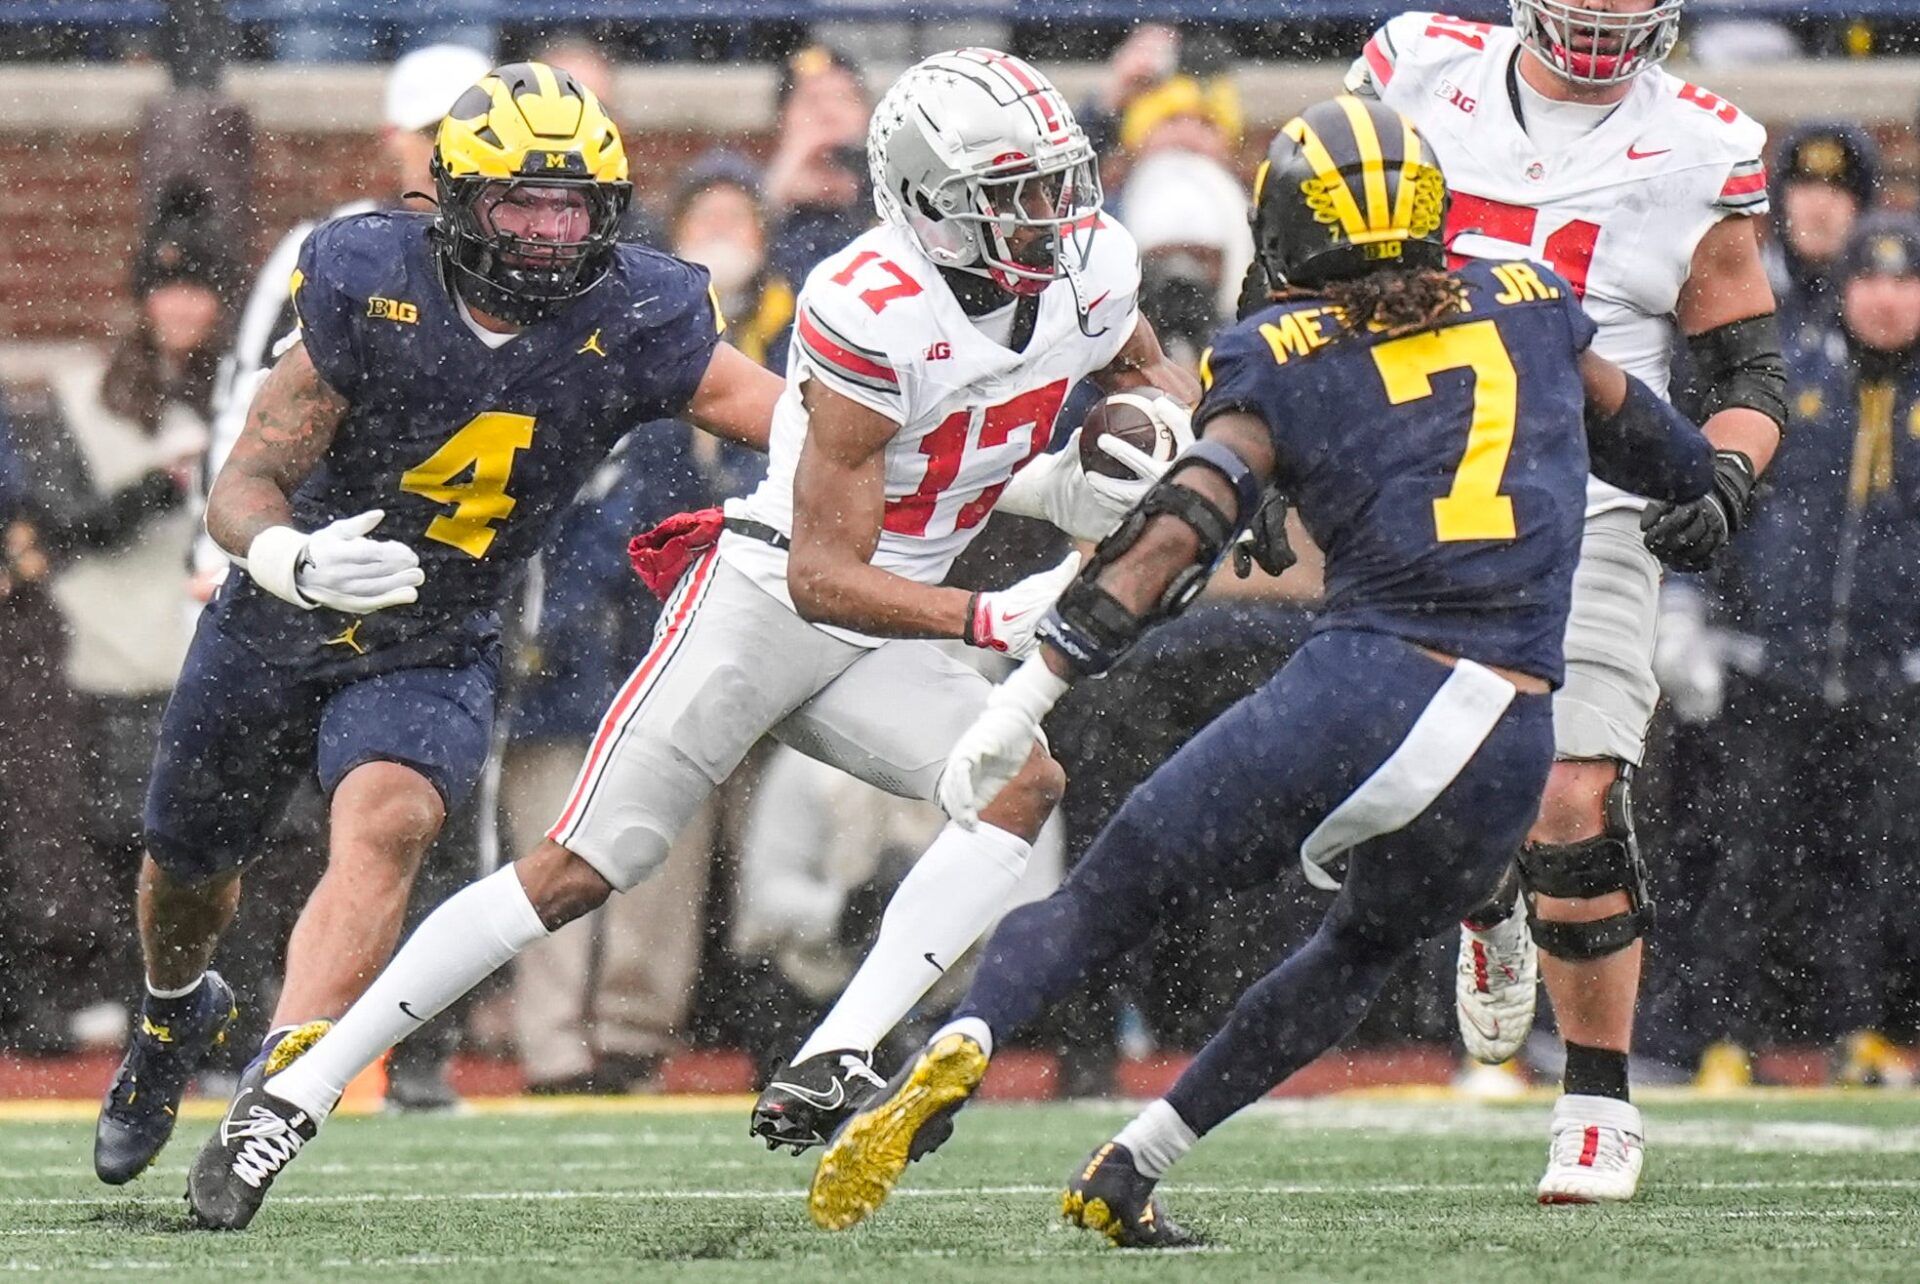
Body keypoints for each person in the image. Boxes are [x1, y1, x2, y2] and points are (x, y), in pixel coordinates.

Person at [183, 47, 1195, 1230]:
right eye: (1015, 191)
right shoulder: (868, 309)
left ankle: (841, 1049)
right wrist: (991, 611)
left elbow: (1137, 363)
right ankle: (292, 1096)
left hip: (893, 608)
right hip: (771, 600)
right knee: (575, 870)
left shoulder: (1091, 262)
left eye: (1059, 183)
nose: (1054, 216)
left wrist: (1152, 429)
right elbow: (825, 572)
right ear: (928, 196)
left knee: (1021, 788)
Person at [807, 95, 1715, 1245]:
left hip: (1366, 687)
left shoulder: (1278, 355)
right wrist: (1713, 487)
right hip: (1511, 742)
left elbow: (1175, 536)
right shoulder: (1535, 307)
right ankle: (1135, 1165)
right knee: (1358, 951)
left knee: (1108, 899)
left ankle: (972, 1037)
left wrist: (1037, 685)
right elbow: (1662, 449)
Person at [93, 61, 783, 1192]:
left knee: (392, 821)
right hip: (281, 611)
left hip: (438, 624)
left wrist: (986, 446)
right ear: (458, 201)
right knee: (188, 872)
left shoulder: (635, 312)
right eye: (524, 204)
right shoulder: (370, 279)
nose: (553, 235)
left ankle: (280, 1088)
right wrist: (294, 556)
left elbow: (797, 417)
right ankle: (175, 1016)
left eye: (575, 208)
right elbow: (245, 480)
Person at [1347, 0, 1787, 1201]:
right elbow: (1300, 251)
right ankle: (1485, 895)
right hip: (1415, 484)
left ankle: (1596, 1098)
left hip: (1592, 501)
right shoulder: (1418, 64)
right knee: (1400, 782)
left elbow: (1749, 370)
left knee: (1571, 790)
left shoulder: (1700, 142)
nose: (1598, 34)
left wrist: (1731, 474)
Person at [1663, 215, 1920, 1083]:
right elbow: (1725, 498)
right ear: (1843, 289)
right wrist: (1688, 604)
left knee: (1877, 864)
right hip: (1770, 663)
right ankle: (1724, 1043)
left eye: (1907, 280)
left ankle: (1862, 1035)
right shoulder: (1790, 381)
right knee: (1745, 857)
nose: (1888, 298)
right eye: (1872, 279)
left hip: (1892, 674)